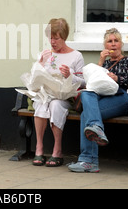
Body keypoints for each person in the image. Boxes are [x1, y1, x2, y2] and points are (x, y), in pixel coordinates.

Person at [68, 28, 128, 173]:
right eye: (110, 41)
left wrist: (118, 78)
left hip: (122, 97)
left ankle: (88, 160)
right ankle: (96, 128)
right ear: (105, 46)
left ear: (121, 44)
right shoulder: (105, 64)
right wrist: (101, 61)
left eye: (116, 41)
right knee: (87, 94)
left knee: (86, 114)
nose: (113, 44)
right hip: (103, 98)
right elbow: (92, 82)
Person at [32, 18, 86, 167]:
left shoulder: (76, 56)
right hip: (46, 94)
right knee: (40, 104)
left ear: (64, 37)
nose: (52, 41)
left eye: (56, 38)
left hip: (65, 97)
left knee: (55, 105)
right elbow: (35, 78)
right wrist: (40, 65)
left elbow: (83, 82)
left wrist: (70, 76)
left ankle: (57, 150)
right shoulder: (46, 54)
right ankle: (39, 148)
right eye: (50, 37)